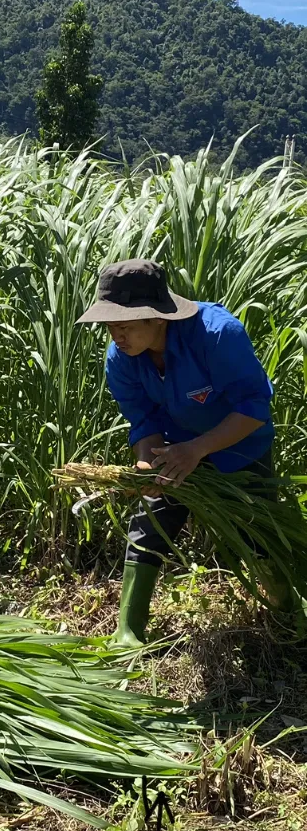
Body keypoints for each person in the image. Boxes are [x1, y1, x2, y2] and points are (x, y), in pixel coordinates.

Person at [77, 258, 287, 648]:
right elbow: (143, 418)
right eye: (109, 324)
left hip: (237, 447)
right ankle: (128, 631)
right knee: (150, 524)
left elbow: (254, 408)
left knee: (258, 532)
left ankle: (288, 611)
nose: (115, 335)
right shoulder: (120, 358)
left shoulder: (217, 335)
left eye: (123, 324)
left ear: (157, 317)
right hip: (173, 448)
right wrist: (146, 461)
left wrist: (198, 449)